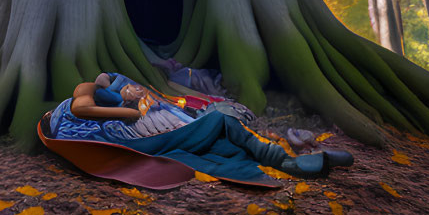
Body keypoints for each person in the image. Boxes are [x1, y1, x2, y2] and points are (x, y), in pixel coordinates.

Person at [46, 73, 353, 182]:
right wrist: (124, 109)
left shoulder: (84, 108)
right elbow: (82, 106)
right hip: (133, 135)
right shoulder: (76, 100)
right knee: (217, 121)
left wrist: (123, 98)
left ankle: (292, 161)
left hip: (135, 134)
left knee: (216, 132)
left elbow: (100, 86)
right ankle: (286, 162)